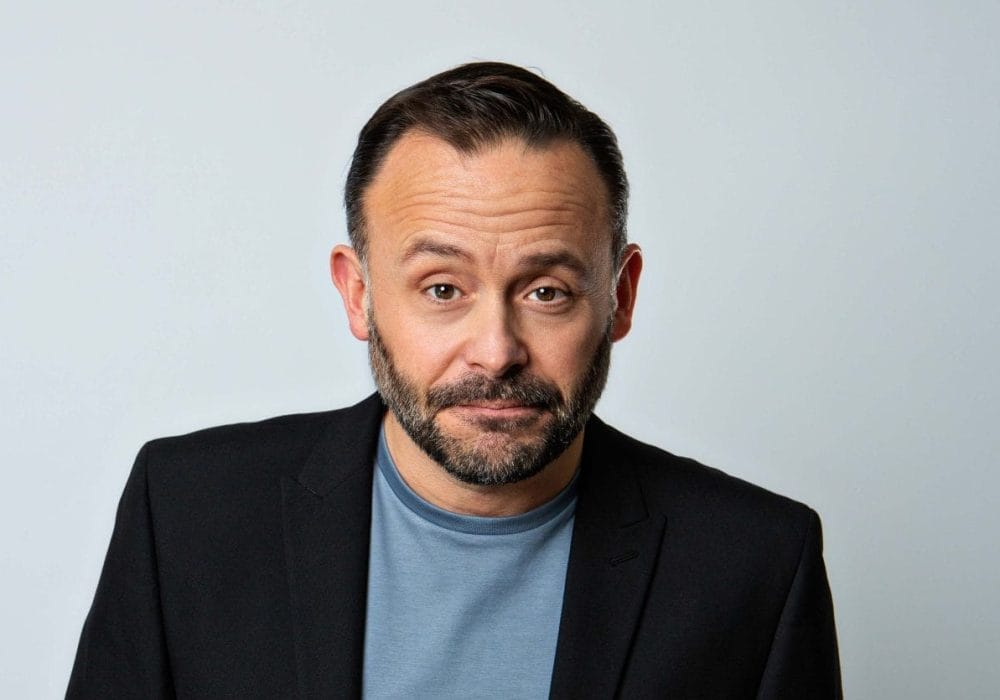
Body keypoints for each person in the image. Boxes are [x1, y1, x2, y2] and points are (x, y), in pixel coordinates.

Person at [67, 62, 842, 699]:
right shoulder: (186, 515)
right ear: (359, 294)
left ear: (621, 296)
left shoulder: (757, 565)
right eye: (443, 289)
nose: (496, 351)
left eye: (547, 291)